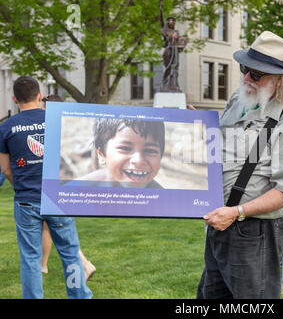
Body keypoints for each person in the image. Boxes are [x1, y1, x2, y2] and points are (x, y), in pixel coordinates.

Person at [196, 31, 283, 299]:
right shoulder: (239, 101)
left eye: (257, 74)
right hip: (221, 222)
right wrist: (198, 130)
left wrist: (237, 211)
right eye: (245, 69)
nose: (246, 77)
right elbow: (222, 148)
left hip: (255, 231)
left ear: (280, 80)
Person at [0, 76, 92, 298]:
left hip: (25, 200)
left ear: (14, 99)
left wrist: (19, 185)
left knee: (31, 258)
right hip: (57, 198)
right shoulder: (56, 120)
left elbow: (5, 170)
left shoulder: (6, 127)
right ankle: (79, 295)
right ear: (40, 96)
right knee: (70, 253)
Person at [40, 94, 96, 281]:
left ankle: (85, 264)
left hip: (59, 187)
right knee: (52, 226)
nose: (41, 111)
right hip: (60, 185)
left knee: (59, 227)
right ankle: (44, 265)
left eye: (44, 108)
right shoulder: (61, 125)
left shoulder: (56, 128)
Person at [77, 118, 165, 188]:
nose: (138, 160)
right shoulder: (79, 192)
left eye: (150, 150)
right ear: (101, 155)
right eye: (125, 148)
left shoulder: (163, 202)